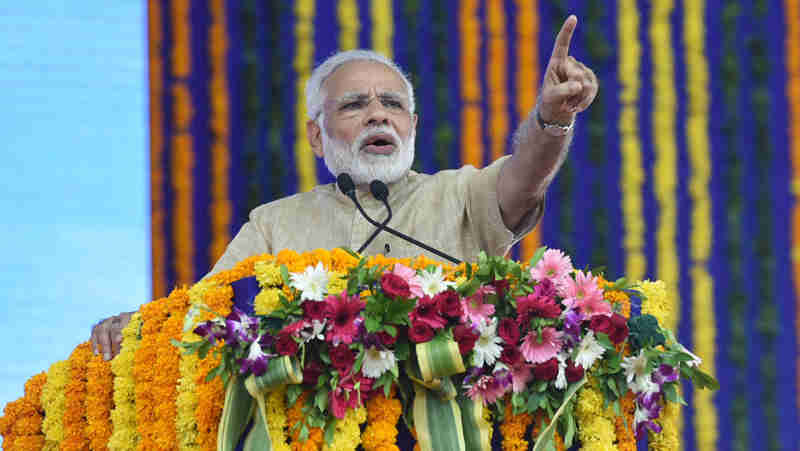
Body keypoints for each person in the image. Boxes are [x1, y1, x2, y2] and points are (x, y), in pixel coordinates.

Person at [91, 15, 597, 360]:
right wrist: (142, 324)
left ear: (413, 125)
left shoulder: (460, 194)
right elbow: (204, 312)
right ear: (317, 134)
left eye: (393, 105)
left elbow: (527, 176)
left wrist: (552, 117)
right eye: (354, 105)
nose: (378, 113)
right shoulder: (275, 224)